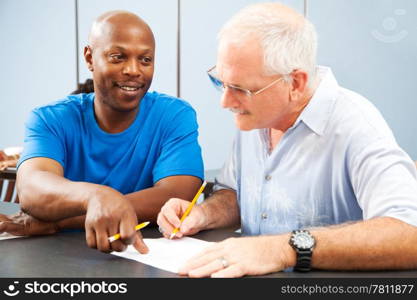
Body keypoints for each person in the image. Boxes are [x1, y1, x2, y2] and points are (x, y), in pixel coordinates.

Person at [157, 2, 417, 277]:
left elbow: (409, 232)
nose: (225, 101)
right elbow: (234, 195)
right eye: (221, 81)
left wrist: (281, 249)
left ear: (295, 83)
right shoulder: (256, 115)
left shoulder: (355, 125)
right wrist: (203, 214)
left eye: (240, 89)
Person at [0, 10, 204, 254]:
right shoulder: (50, 118)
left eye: (145, 60)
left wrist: (58, 221)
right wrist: (95, 196)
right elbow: (32, 190)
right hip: (61, 258)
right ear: (89, 58)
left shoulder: (174, 115)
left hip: (145, 256)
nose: (133, 70)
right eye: (118, 57)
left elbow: (177, 196)